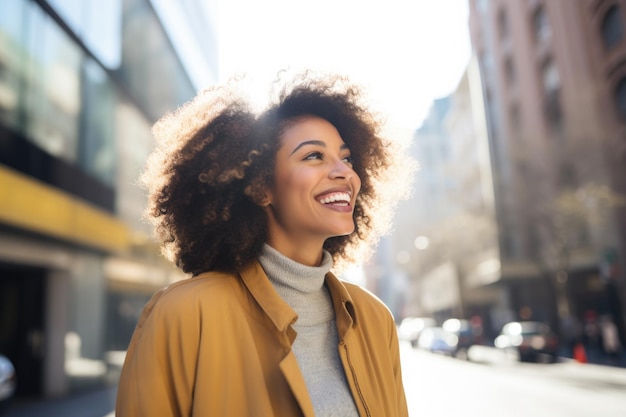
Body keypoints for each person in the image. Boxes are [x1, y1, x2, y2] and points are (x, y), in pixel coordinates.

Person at [115, 71, 410, 417]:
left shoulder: (375, 320)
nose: (344, 173)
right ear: (260, 187)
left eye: (345, 158)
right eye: (313, 156)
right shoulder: (183, 314)